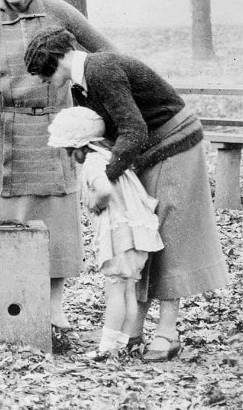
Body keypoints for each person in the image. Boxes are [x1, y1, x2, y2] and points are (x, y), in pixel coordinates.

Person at [25, 27, 229, 361]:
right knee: (138, 231)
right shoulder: (81, 85)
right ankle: (133, 330)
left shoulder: (100, 70)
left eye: (42, 74)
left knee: (165, 231)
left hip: (174, 140)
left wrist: (106, 178)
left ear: (54, 61)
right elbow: (107, 131)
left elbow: (134, 130)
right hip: (144, 149)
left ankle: (167, 331)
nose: (43, 82)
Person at [0, 0, 118, 331]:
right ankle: (4, 306)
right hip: (2, 128)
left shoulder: (58, 11)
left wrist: (98, 97)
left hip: (54, 130)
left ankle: (54, 307)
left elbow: (106, 52)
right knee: (1, 216)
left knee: (53, 217)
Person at [47, 106, 164, 361]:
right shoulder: (111, 155)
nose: (70, 157)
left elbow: (105, 191)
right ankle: (123, 343)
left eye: (70, 150)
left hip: (118, 236)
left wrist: (95, 203)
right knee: (128, 292)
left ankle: (107, 348)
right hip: (139, 235)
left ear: (81, 145)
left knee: (115, 294)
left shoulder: (92, 163)